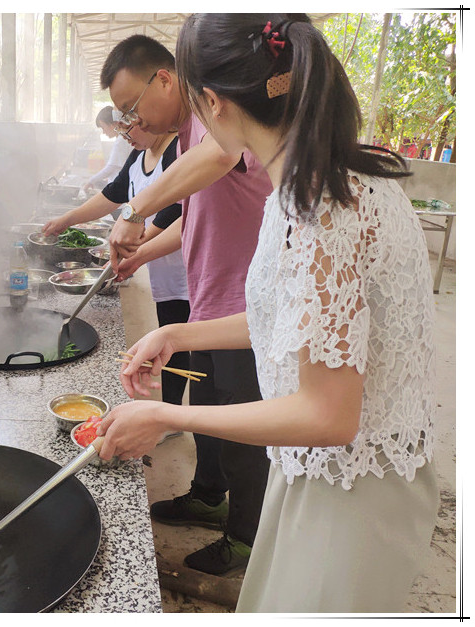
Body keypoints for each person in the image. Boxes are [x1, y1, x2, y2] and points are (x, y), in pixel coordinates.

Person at [98, 14, 439, 613]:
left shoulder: (322, 207)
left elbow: (328, 413)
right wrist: (178, 332)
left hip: (353, 492)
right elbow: (300, 325)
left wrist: (159, 415)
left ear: (211, 103)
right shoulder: (317, 183)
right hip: (324, 474)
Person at [99, 34, 273, 576]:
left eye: (132, 107)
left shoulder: (219, 121)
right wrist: (138, 255)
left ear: (166, 78)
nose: (133, 122)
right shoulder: (185, 138)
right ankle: (205, 494)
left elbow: (221, 158)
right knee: (206, 414)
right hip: (207, 300)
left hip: (247, 306)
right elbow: (193, 222)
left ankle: (246, 537)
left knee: (244, 430)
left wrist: (134, 207)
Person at [44, 126, 191, 409]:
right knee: (172, 343)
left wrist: (133, 250)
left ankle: (172, 415)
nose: (123, 132)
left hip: (189, 272)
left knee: (184, 349)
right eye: (121, 120)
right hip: (164, 272)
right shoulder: (138, 155)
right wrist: (66, 220)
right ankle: (170, 414)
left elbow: (177, 209)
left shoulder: (178, 150)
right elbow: (113, 194)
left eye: (130, 118)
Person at [82, 106, 132, 193]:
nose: (104, 132)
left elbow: (111, 167)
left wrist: (91, 181)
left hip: (119, 190)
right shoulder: (121, 139)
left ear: (113, 124)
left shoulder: (121, 141)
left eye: (103, 127)